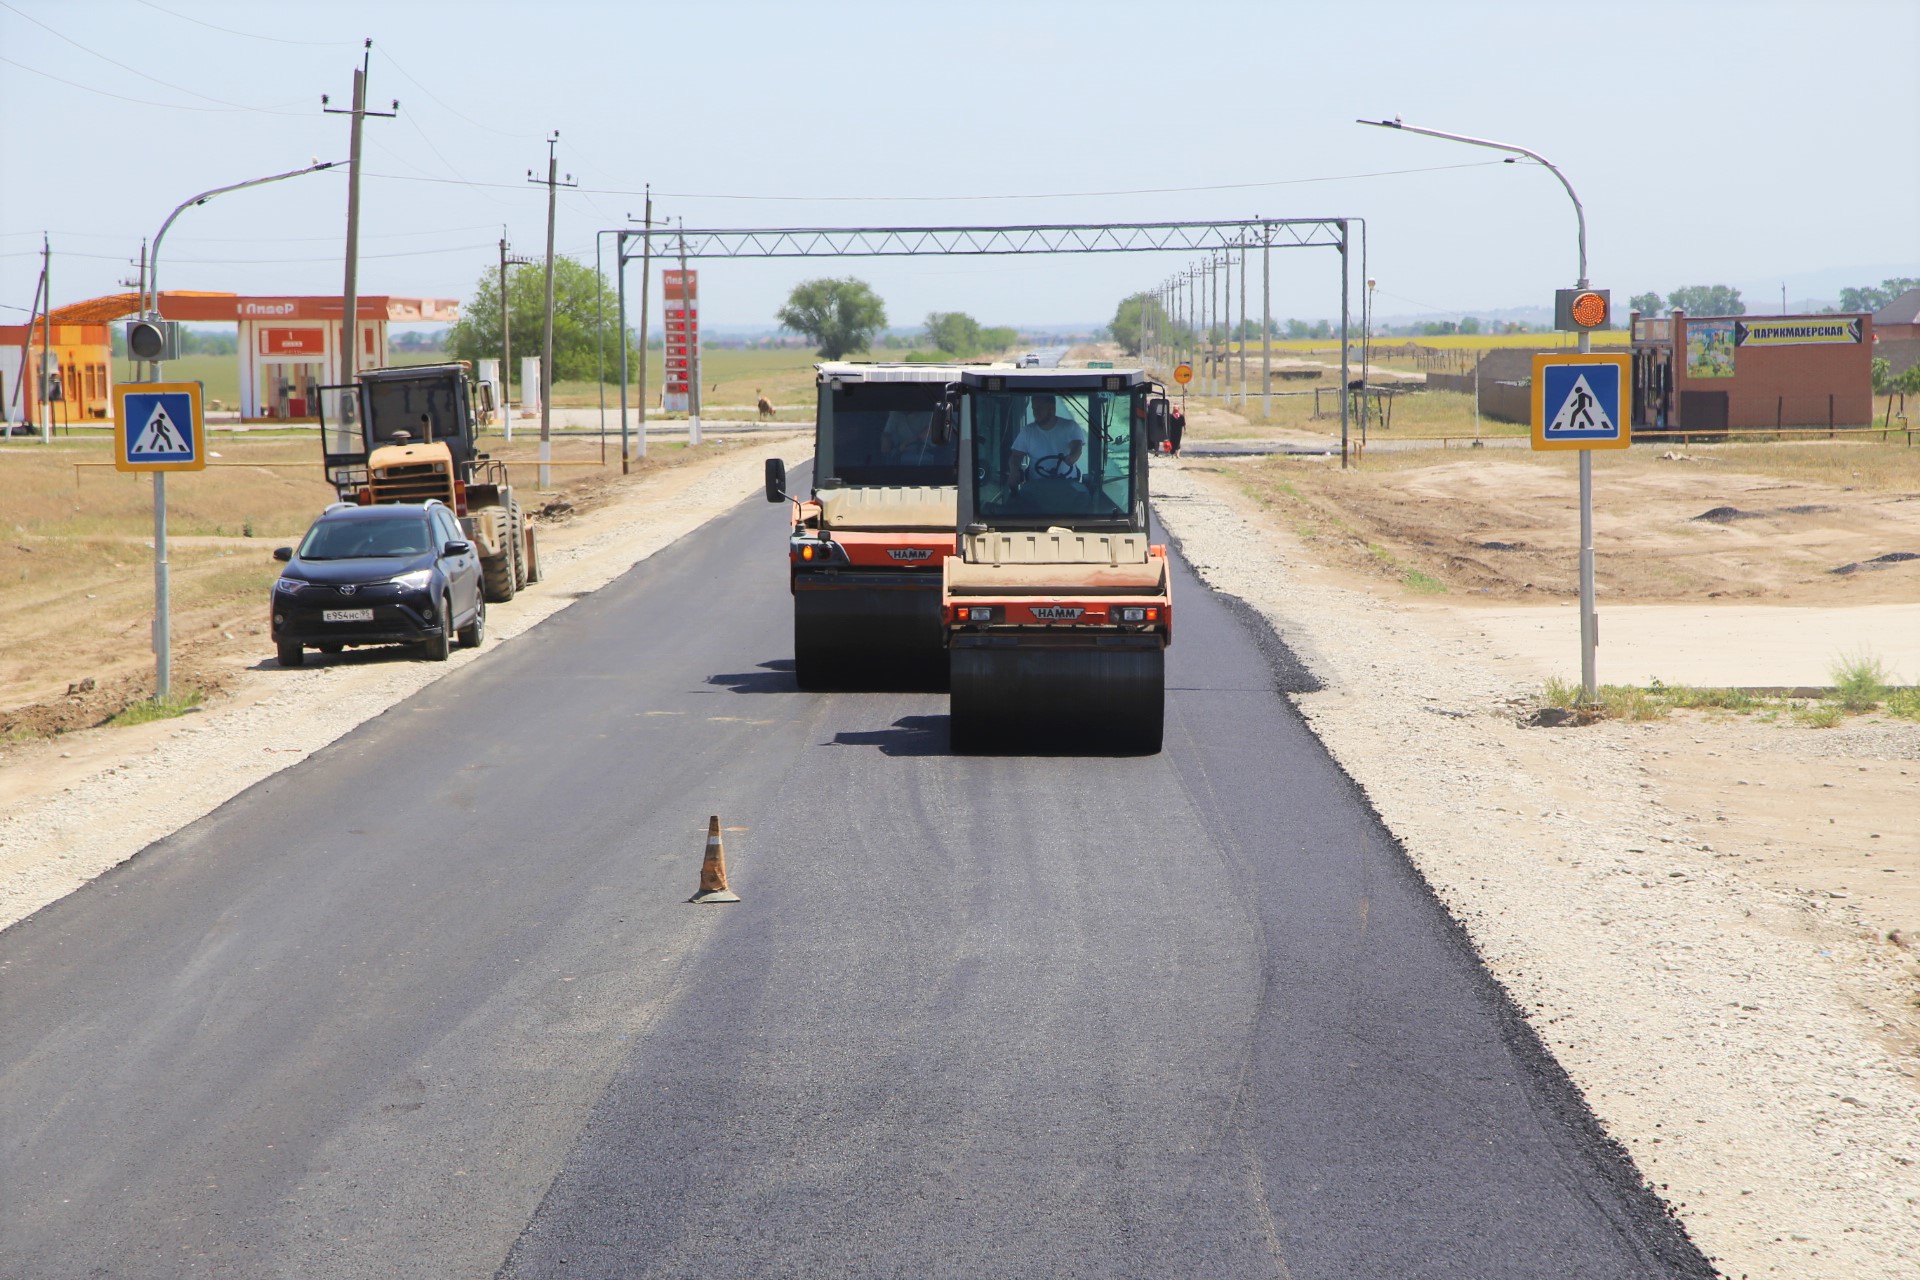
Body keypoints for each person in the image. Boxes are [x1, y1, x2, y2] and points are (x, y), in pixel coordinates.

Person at [1006, 394, 1086, 488]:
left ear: (1052, 408)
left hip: (1068, 485)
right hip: (1036, 487)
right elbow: (1016, 456)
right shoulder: (1027, 431)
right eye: (1034, 409)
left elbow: (1077, 446)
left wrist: (1072, 457)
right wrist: (1014, 470)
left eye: (1040, 408)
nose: (1036, 413)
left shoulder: (1070, 426)